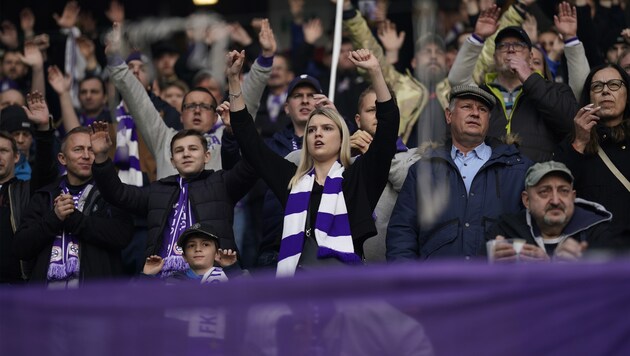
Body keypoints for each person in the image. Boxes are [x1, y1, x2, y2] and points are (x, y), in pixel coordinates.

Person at [229, 47, 399, 276]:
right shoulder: (292, 180)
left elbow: (388, 128)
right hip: (298, 292)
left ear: (342, 139)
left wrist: (376, 72)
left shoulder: (359, 177)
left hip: (345, 288)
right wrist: (233, 81)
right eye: (312, 130)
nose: (318, 134)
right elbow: (250, 142)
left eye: (327, 128)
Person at [106, 20, 275, 179]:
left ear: (216, 116)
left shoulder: (227, 138)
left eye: (204, 106)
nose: (197, 110)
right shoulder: (164, 139)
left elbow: (247, 103)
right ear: (181, 115)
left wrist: (266, 57)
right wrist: (115, 60)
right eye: (191, 106)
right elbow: (138, 100)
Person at [90, 124, 258, 277]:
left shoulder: (222, 183)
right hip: (163, 277)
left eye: (193, 149)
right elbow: (117, 194)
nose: (186, 154)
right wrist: (101, 157)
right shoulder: (157, 190)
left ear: (206, 156)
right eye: (179, 150)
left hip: (211, 275)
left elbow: (253, 165)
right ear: (172, 161)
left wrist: (236, 130)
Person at [387, 85, 533, 261]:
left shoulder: (518, 168)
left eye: (482, 109)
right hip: (438, 283)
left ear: (488, 120)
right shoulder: (423, 169)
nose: (475, 113)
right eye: (467, 107)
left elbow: (535, 228)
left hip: (497, 282)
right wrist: (410, 282)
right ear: (449, 116)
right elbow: (402, 232)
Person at [448, 6, 578, 162]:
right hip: (489, 178)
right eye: (502, 46)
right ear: (494, 58)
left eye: (518, 45)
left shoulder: (555, 90)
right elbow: (457, 80)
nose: (510, 50)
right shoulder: (482, 94)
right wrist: (478, 37)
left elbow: (571, 124)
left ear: (531, 57)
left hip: (537, 181)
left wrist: (529, 79)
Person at [13, 126, 133, 287]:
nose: (85, 156)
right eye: (78, 149)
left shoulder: (111, 193)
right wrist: (54, 218)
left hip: (94, 300)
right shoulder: (44, 195)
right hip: (45, 302)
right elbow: (21, 247)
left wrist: (75, 220)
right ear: (62, 158)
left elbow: (122, 236)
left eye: (91, 150)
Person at [341, 0, 450, 147]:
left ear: (447, 61)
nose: (433, 56)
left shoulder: (458, 86)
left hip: (451, 162)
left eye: (438, 52)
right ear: (413, 62)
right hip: (404, 161)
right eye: (426, 51)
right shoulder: (399, 84)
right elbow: (371, 55)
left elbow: (482, 58)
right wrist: (348, 9)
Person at [555, 64, 630, 243]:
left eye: (614, 84)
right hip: (592, 253)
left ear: (627, 96)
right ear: (588, 98)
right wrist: (579, 142)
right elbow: (556, 190)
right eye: (597, 86)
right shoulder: (573, 142)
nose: (605, 91)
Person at [487, 161, 616, 262]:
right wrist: (494, 268)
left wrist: (578, 270)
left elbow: (613, 288)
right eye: (544, 192)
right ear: (527, 200)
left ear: (573, 197)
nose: (555, 201)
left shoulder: (598, 234)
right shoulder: (505, 231)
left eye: (563, 191)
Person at [0, 91, 57, 284]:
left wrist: (42, 129)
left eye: (3, 151)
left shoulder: (26, 191)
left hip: (17, 285)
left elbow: (45, 171)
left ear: (16, 157)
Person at [142, 222, 244, 283]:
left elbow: (248, 297)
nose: (198, 249)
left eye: (205, 244)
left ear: (217, 253)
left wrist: (232, 269)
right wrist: (147, 275)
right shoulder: (172, 280)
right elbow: (143, 305)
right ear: (184, 256)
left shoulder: (226, 277)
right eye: (191, 245)